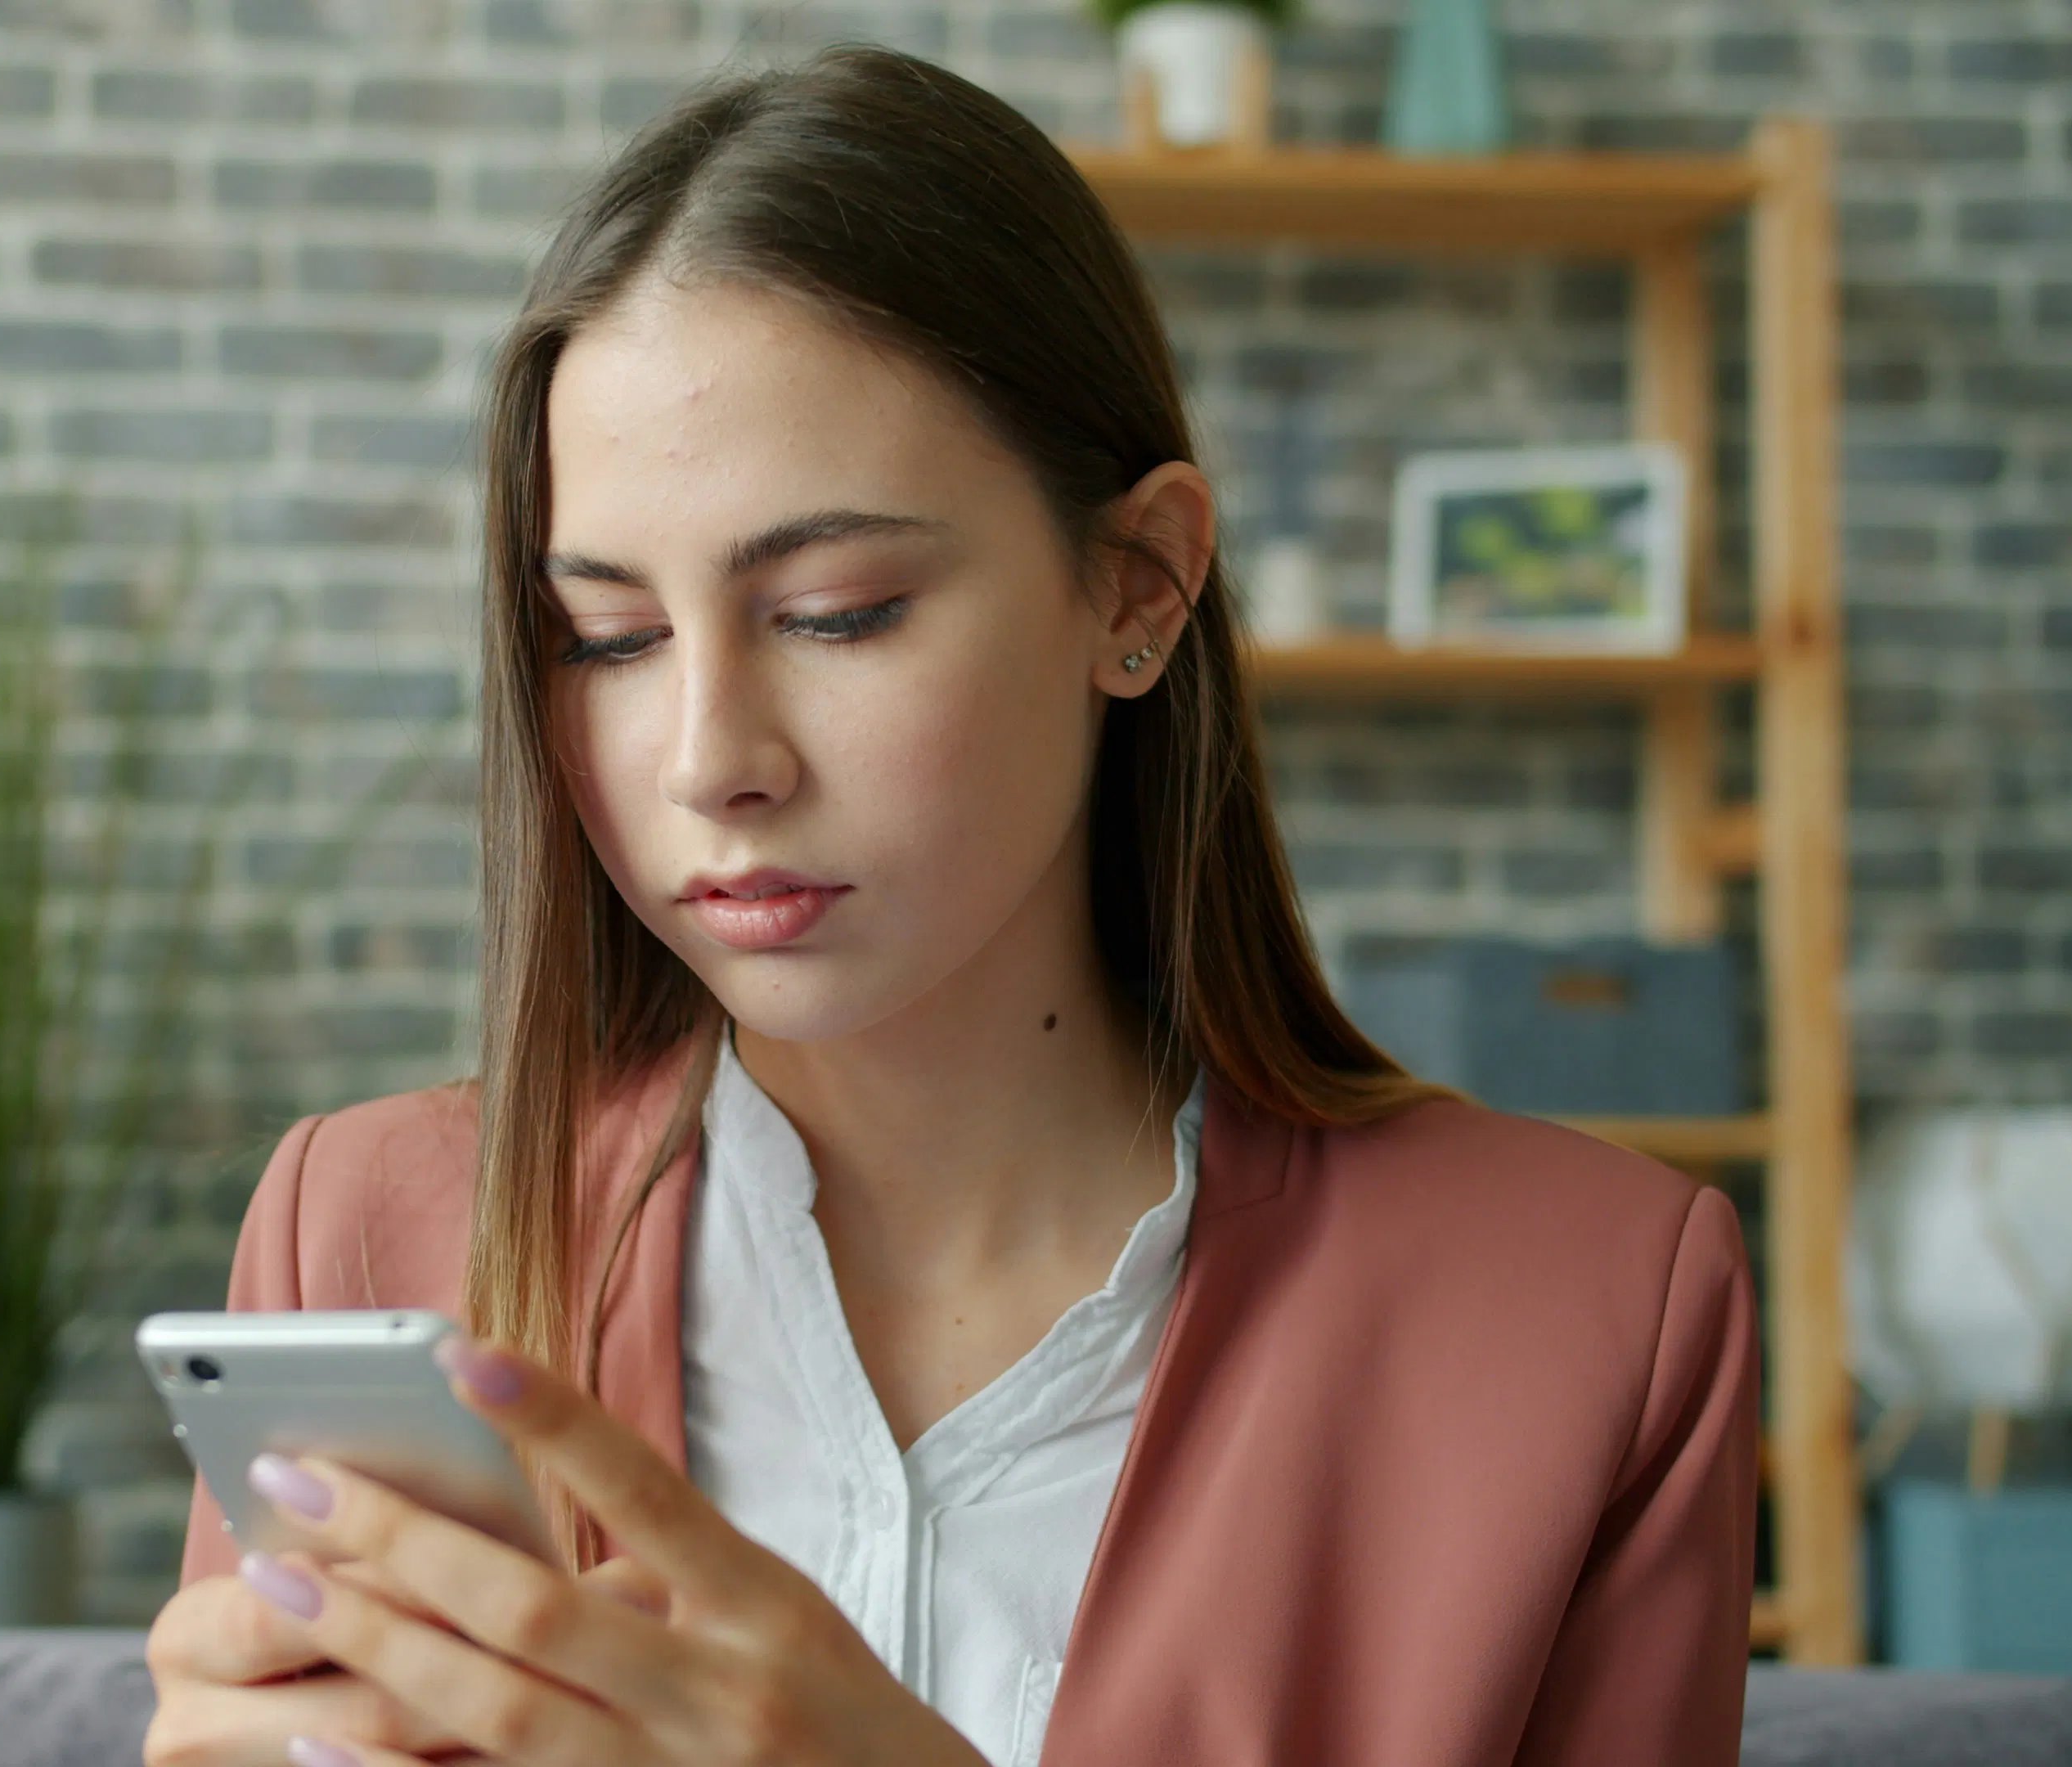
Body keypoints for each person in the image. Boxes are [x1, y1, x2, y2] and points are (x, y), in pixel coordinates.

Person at [142, 42, 1758, 1767]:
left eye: (837, 611)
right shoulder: (371, 1229)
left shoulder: (1594, 1311)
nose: (709, 759)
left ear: (1137, 587)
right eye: (607, 639)